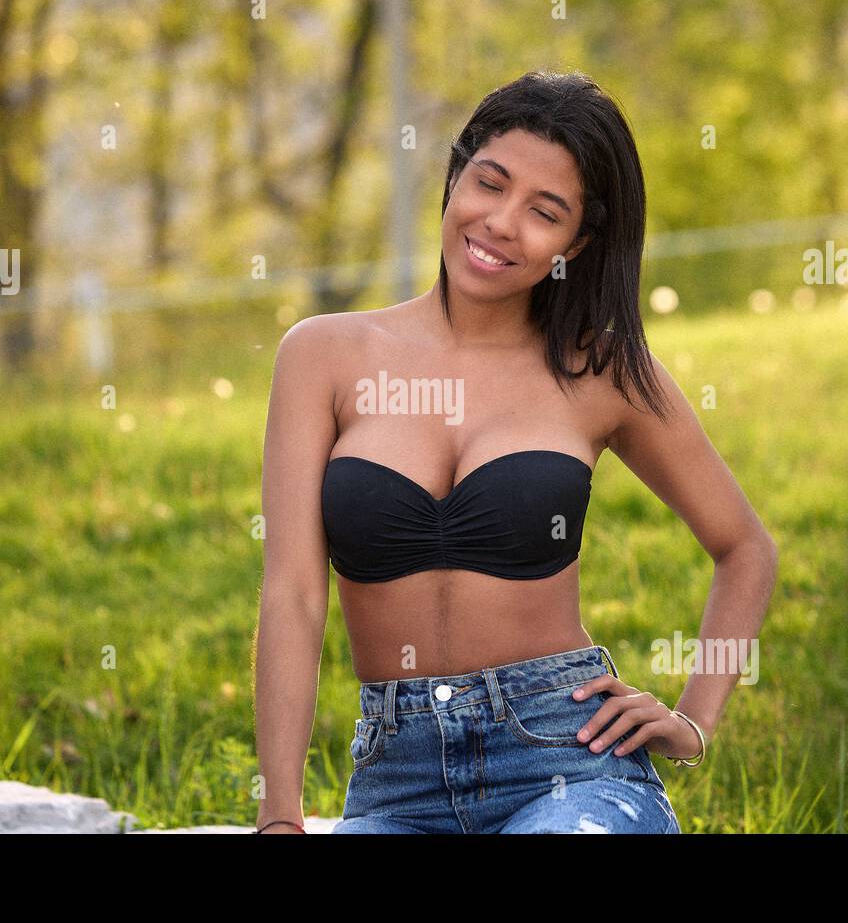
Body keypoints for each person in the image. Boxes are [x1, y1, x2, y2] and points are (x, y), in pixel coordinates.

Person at [253, 70, 778, 834]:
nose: (501, 223)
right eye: (489, 183)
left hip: (568, 764)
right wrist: (279, 817)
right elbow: (294, 596)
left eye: (545, 212)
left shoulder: (602, 371)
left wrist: (692, 723)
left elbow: (745, 548)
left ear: (579, 242)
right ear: (454, 175)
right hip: (397, 784)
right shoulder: (323, 355)